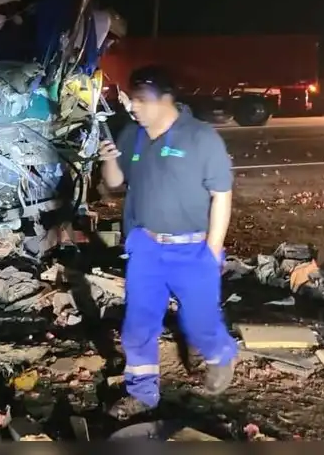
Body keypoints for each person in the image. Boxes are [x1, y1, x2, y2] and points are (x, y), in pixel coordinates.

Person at [97, 65, 237, 419]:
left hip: (193, 247)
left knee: (199, 320)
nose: (135, 108)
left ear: (166, 99)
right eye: (133, 100)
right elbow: (115, 182)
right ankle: (142, 393)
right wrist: (109, 159)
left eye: (142, 101)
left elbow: (221, 194)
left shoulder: (200, 137)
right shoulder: (132, 134)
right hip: (145, 246)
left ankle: (220, 354)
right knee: (138, 323)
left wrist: (213, 249)